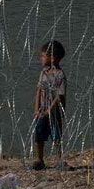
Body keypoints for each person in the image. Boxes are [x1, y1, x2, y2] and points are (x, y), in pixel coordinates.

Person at [32, 40, 67, 171]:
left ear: (52, 58)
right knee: (39, 135)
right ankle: (40, 160)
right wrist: (37, 109)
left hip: (55, 111)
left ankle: (60, 160)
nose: (41, 58)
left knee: (56, 136)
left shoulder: (60, 75)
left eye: (43, 56)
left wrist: (48, 111)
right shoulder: (43, 72)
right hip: (41, 110)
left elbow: (59, 96)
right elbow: (38, 91)